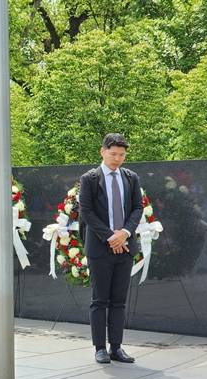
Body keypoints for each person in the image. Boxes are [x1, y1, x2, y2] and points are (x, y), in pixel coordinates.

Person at [79, 133, 143, 364]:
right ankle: (100, 348)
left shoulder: (131, 177)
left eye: (122, 155)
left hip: (125, 246)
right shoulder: (90, 178)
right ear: (102, 151)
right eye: (113, 154)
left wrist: (124, 233)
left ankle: (116, 347)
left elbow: (137, 208)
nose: (117, 159)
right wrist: (110, 237)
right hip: (99, 246)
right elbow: (86, 212)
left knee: (119, 300)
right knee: (100, 300)